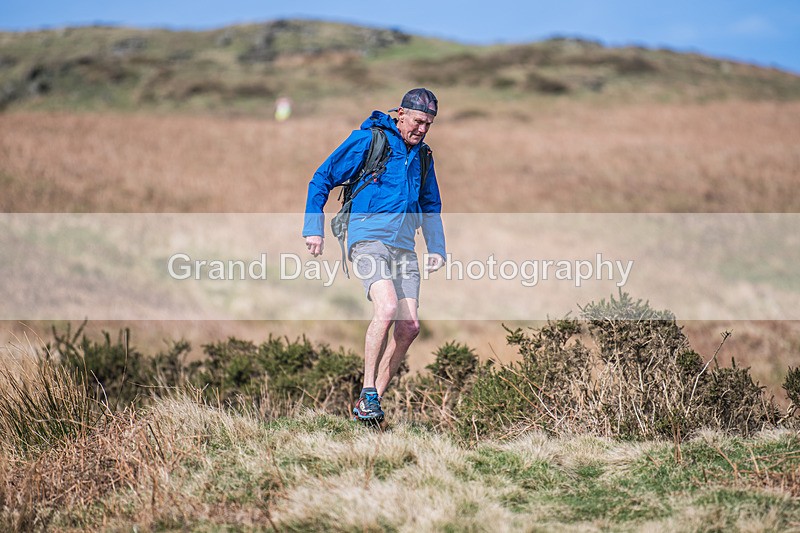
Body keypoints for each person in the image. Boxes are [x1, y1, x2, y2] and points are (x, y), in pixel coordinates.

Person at [302, 88, 446, 423]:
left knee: (409, 326)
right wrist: (313, 227)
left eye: (429, 124)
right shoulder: (369, 141)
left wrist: (437, 248)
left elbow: (430, 204)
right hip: (367, 238)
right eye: (418, 121)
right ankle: (367, 390)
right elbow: (321, 179)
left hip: (404, 246)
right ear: (401, 114)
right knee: (387, 306)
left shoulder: (423, 156)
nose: (422, 129)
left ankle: (369, 404)